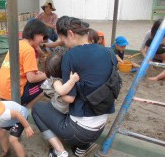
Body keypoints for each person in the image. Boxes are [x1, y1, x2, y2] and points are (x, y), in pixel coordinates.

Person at [32, 16, 117, 157]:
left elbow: (69, 98)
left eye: (63, 40)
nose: (64, 44)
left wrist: (56, 87)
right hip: (101, 125)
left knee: (37, 108)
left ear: (70, 33)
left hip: (80, 131)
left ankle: (59, 151)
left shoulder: (70, 56)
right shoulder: (109, 52)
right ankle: (81, 150)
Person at [0, 19, 47, 108]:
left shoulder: (18, 44)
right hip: (13, 94)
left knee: (39, 76)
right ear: (34, 33)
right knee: (47, 83)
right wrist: (48, 74)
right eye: (41, 35)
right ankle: (24, 110)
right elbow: (31, 79)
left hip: (2, 90)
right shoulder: (29, 50)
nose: (42, 40)